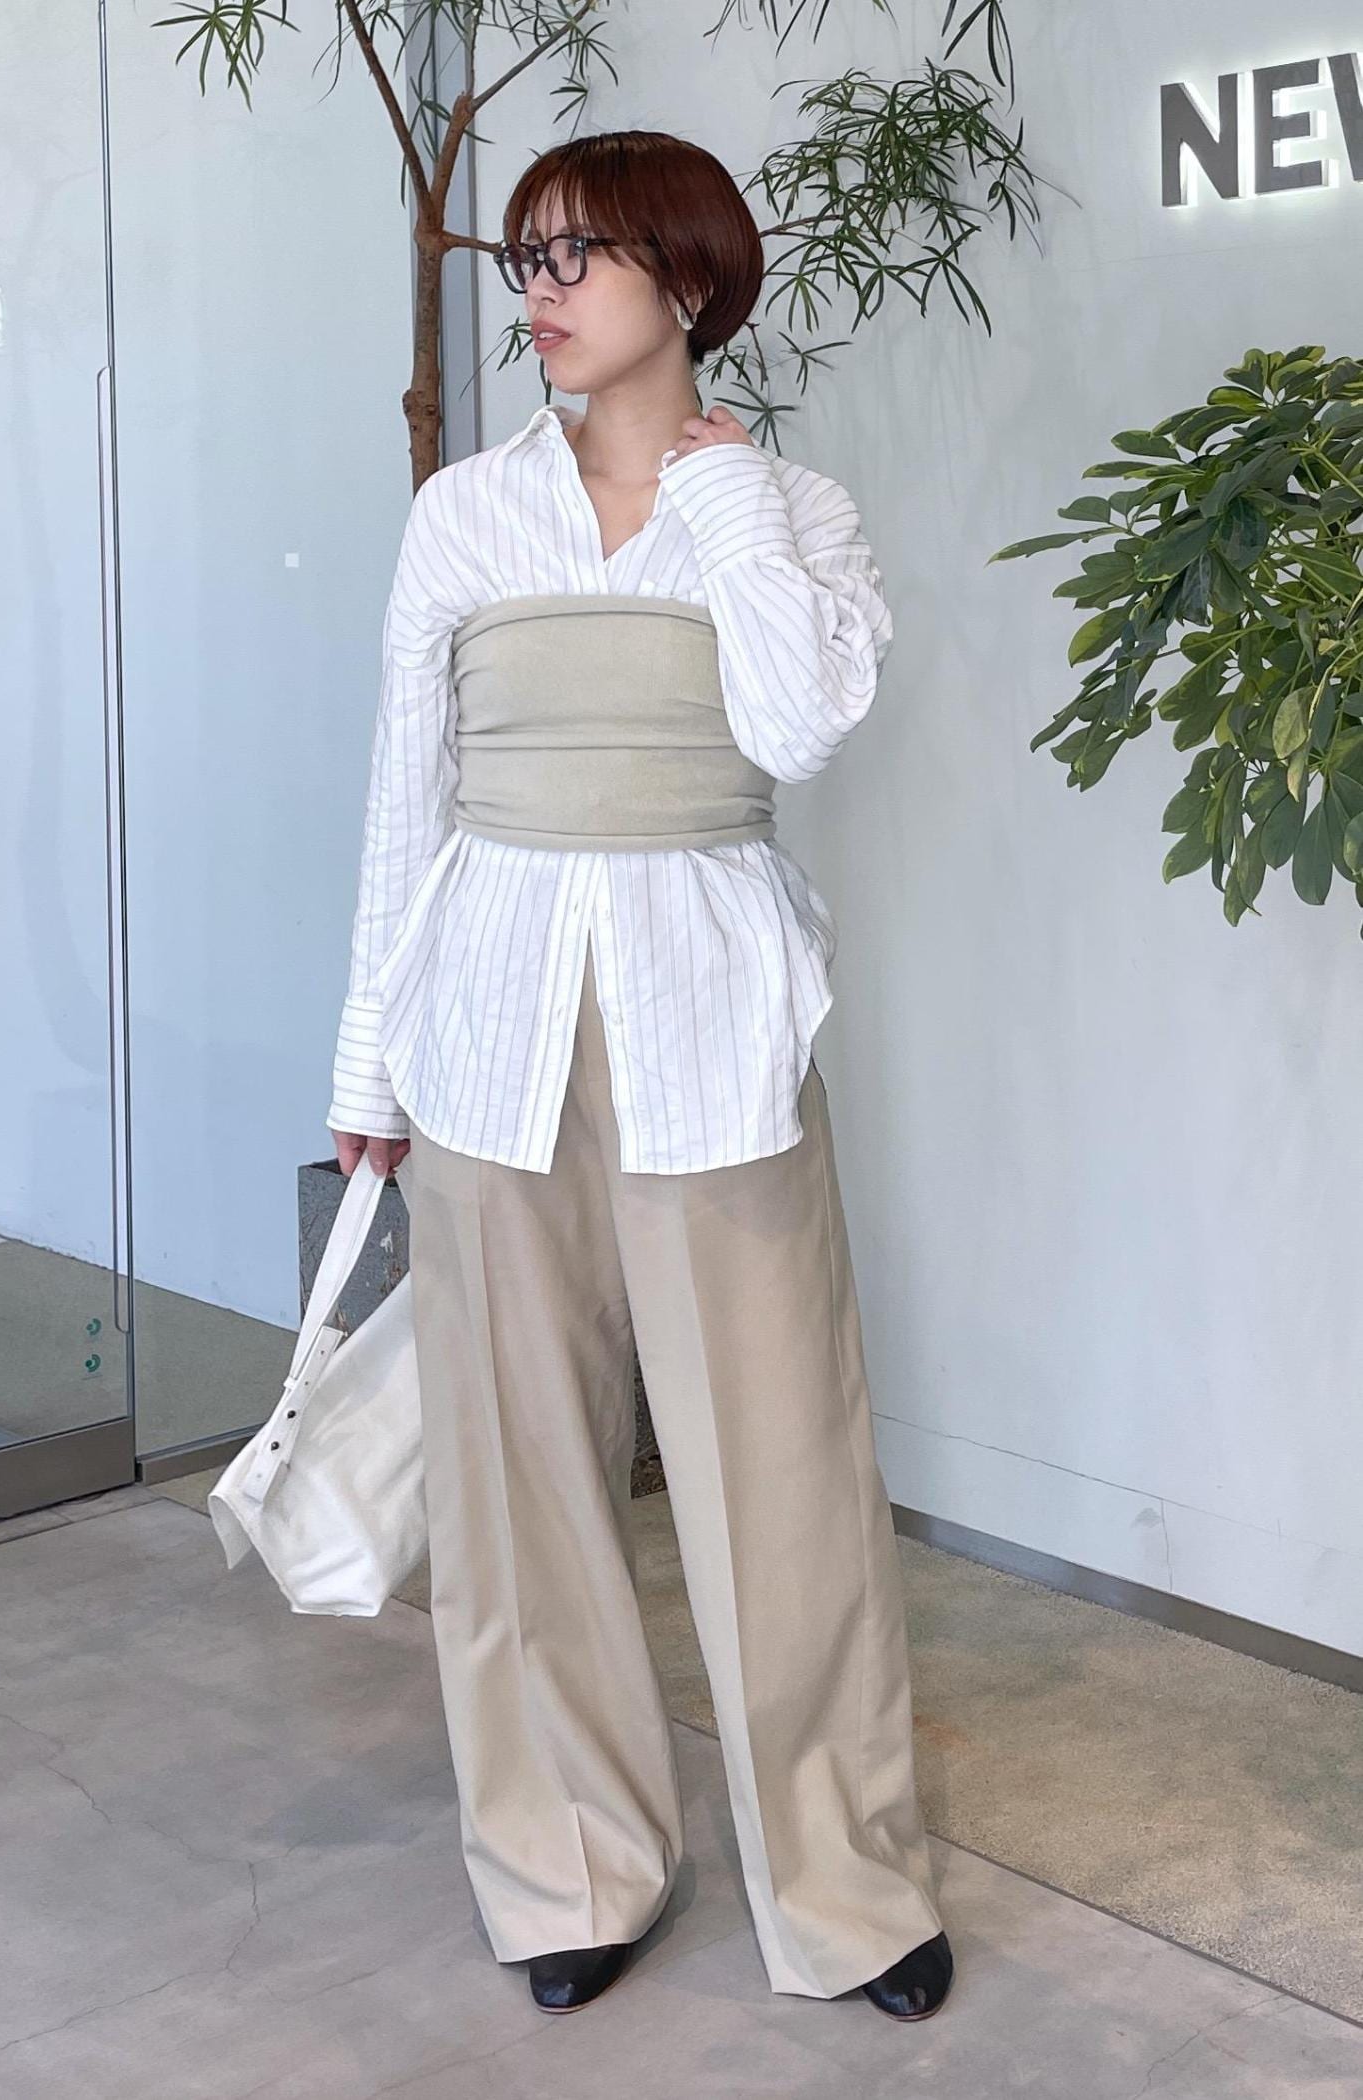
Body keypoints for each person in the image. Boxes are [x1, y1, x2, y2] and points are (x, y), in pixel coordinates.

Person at [326, 128, 953, 2023]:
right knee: (517, 1479)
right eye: (524, 260)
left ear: (685, 278)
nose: (538, 293)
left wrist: (729, 500)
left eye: (575, 256)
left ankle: (844, 1885)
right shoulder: (464, 515)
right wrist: (367, 1063)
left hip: (711, 1032)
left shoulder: (797, 510)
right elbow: (405, 801)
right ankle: (567, 1869)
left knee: (783, 1469)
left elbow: (800, 727)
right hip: (486, 1029)